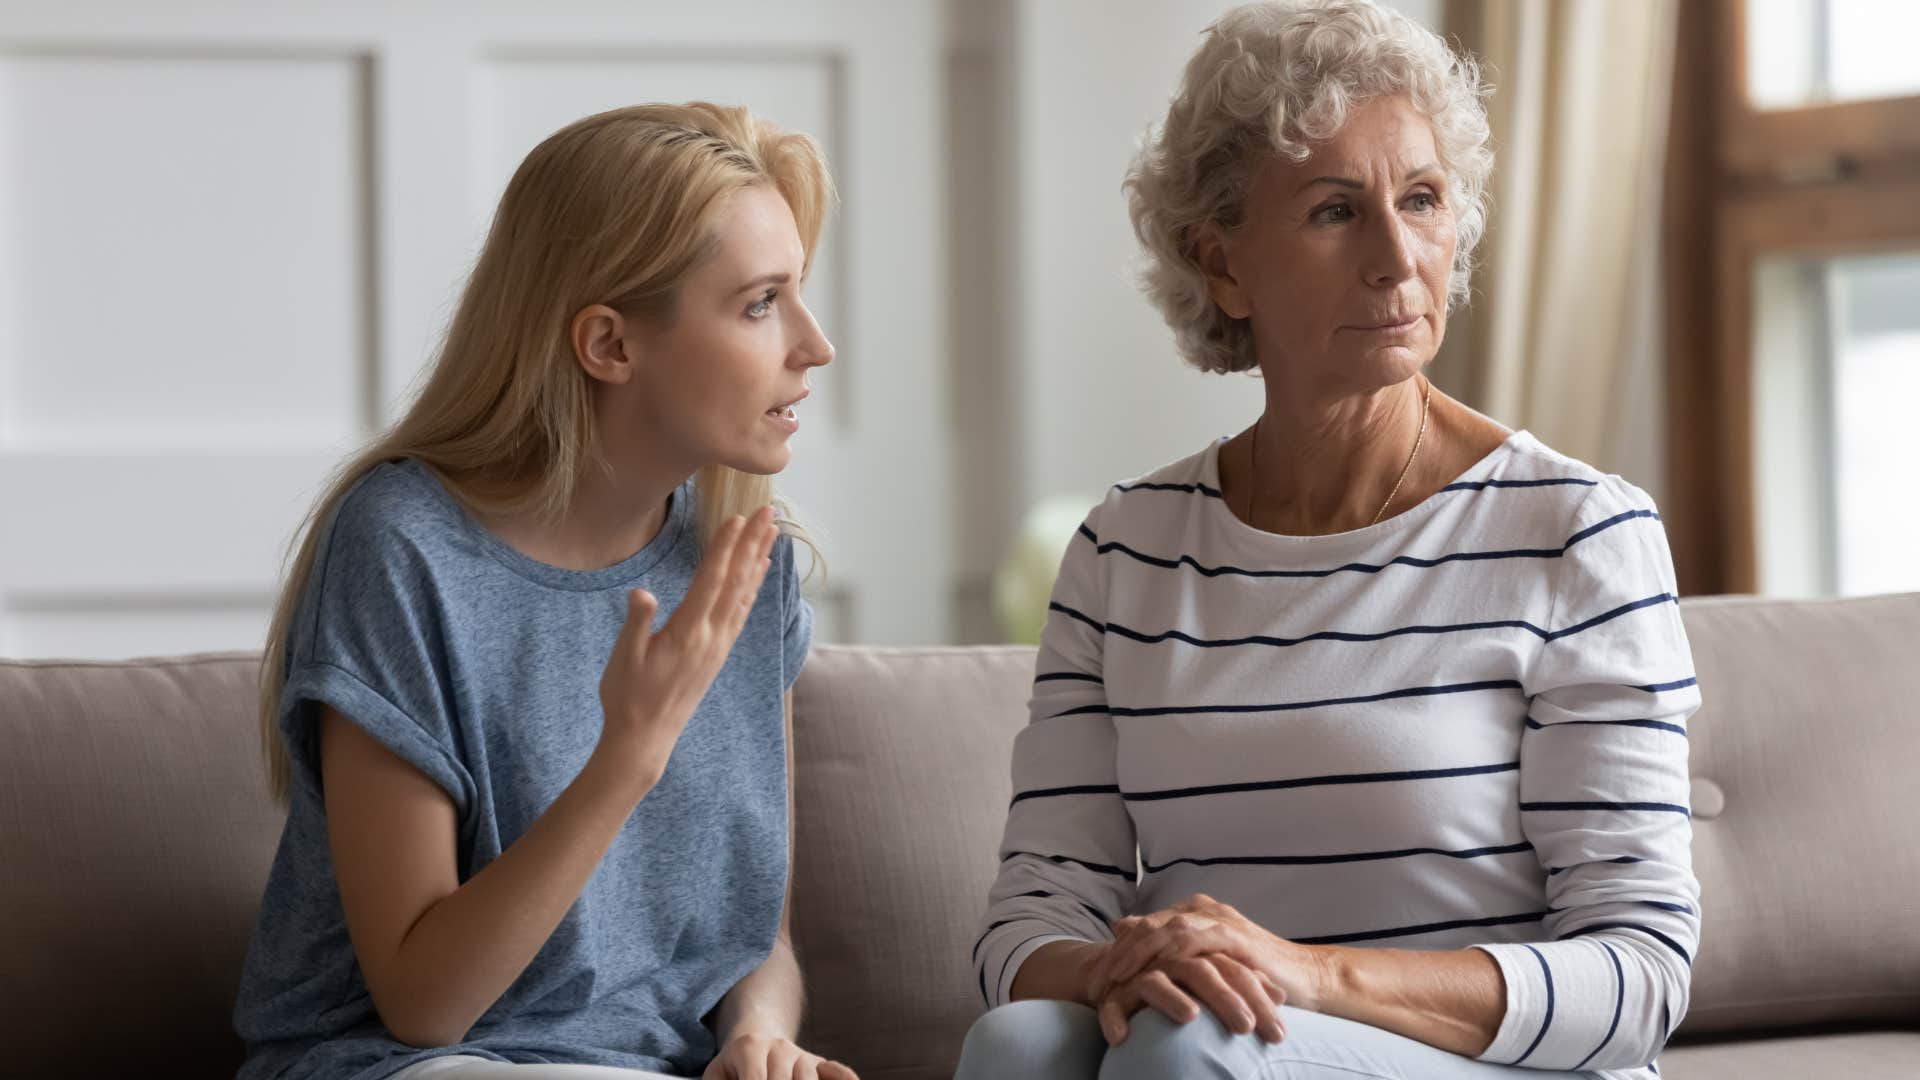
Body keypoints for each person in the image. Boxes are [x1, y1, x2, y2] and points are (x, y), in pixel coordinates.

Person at [960, 2, 1699, 1078]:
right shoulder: (1125, 552)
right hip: (1212, 1035)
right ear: (1222, 264)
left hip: (1507, 1063)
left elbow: (1641, 972)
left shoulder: (1580, 533)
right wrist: (1124, 969)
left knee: (1183, 1049)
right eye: (1334, 211)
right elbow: (1025, 928)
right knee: (1021, 1040)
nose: (1398, 258)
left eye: (1424, 199)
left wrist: (1302, 972)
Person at [232, 102, 856, 1080]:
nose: (815, 346)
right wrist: (628, 755)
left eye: (798, 295)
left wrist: (757, 1034)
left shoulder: (745, 567)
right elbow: (423, 1001)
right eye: (760, 303)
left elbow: (754, 938)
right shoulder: (402, 549)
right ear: (609, 345)